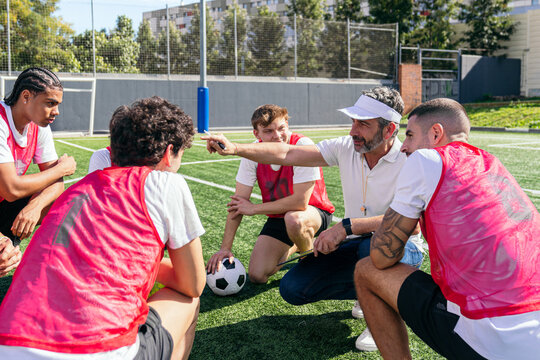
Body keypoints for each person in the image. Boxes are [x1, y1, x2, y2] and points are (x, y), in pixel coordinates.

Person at [203, 87, 425, 351]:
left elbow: (416, 224)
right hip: (356, 244)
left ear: (389, 130)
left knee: (373, 245)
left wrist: (347, 227)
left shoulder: (411, 159)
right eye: (353, 121)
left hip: (401, 247)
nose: (353, 130)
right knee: (293, 287)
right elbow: (288, 154)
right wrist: (236, 148)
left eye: (363, 124)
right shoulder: (346, 147)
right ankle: (368, 292)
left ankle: (382, 314)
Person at [0, 96, 206, 360]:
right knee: (188, 299)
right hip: (100, 349)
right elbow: (193, 284)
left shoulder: (73, 192)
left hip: (9, 345)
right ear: (168, 153)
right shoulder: (165, 183)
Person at [354, 98, 540, 360]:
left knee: (367, 270)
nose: (404, 146)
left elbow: (383, 257)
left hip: (497, 339)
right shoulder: (490, 162)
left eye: (409, 135)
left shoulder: (427, 159)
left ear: (436, 133)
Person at [205, 104, 335, 284]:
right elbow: (238, 202)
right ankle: (296, 244)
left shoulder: (302, 145)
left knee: (295, 220)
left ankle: (308, 258)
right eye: (268, 131)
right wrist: (225, 248)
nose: (277, 136)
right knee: (258, 275)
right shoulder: (252, 154)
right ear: (256, 134)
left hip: (312, 213)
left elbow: (300, 202)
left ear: (287, 124)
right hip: (279, 216)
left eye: (281, 128)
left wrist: (254, 209)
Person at [0, 67, 77, 277]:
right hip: (6, 196)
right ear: (26, 96)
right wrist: (61, 168)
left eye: (57, 104)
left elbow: (57, 183)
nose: (57, 111)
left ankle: (49, 269)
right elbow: (11, 189)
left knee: (60, 203)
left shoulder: (39, 126)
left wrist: (35, 206)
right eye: (50, 103)